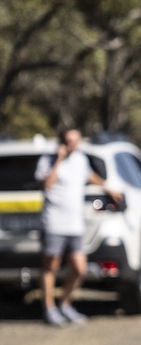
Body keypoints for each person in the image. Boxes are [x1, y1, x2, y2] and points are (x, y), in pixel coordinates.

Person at [34, 128, 120, 326]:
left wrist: (109, 188)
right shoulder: (48, 160)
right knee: (51, 266)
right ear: (61, 142)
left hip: (74, 224)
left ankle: (65, 304)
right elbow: (46, 184)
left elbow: (90, 176)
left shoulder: (81, 159)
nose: (72, 144)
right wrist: (58, 160)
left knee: (80, 268)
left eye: (75, 141)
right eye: (68, 141)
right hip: (54, 222)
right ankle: (49, 309)